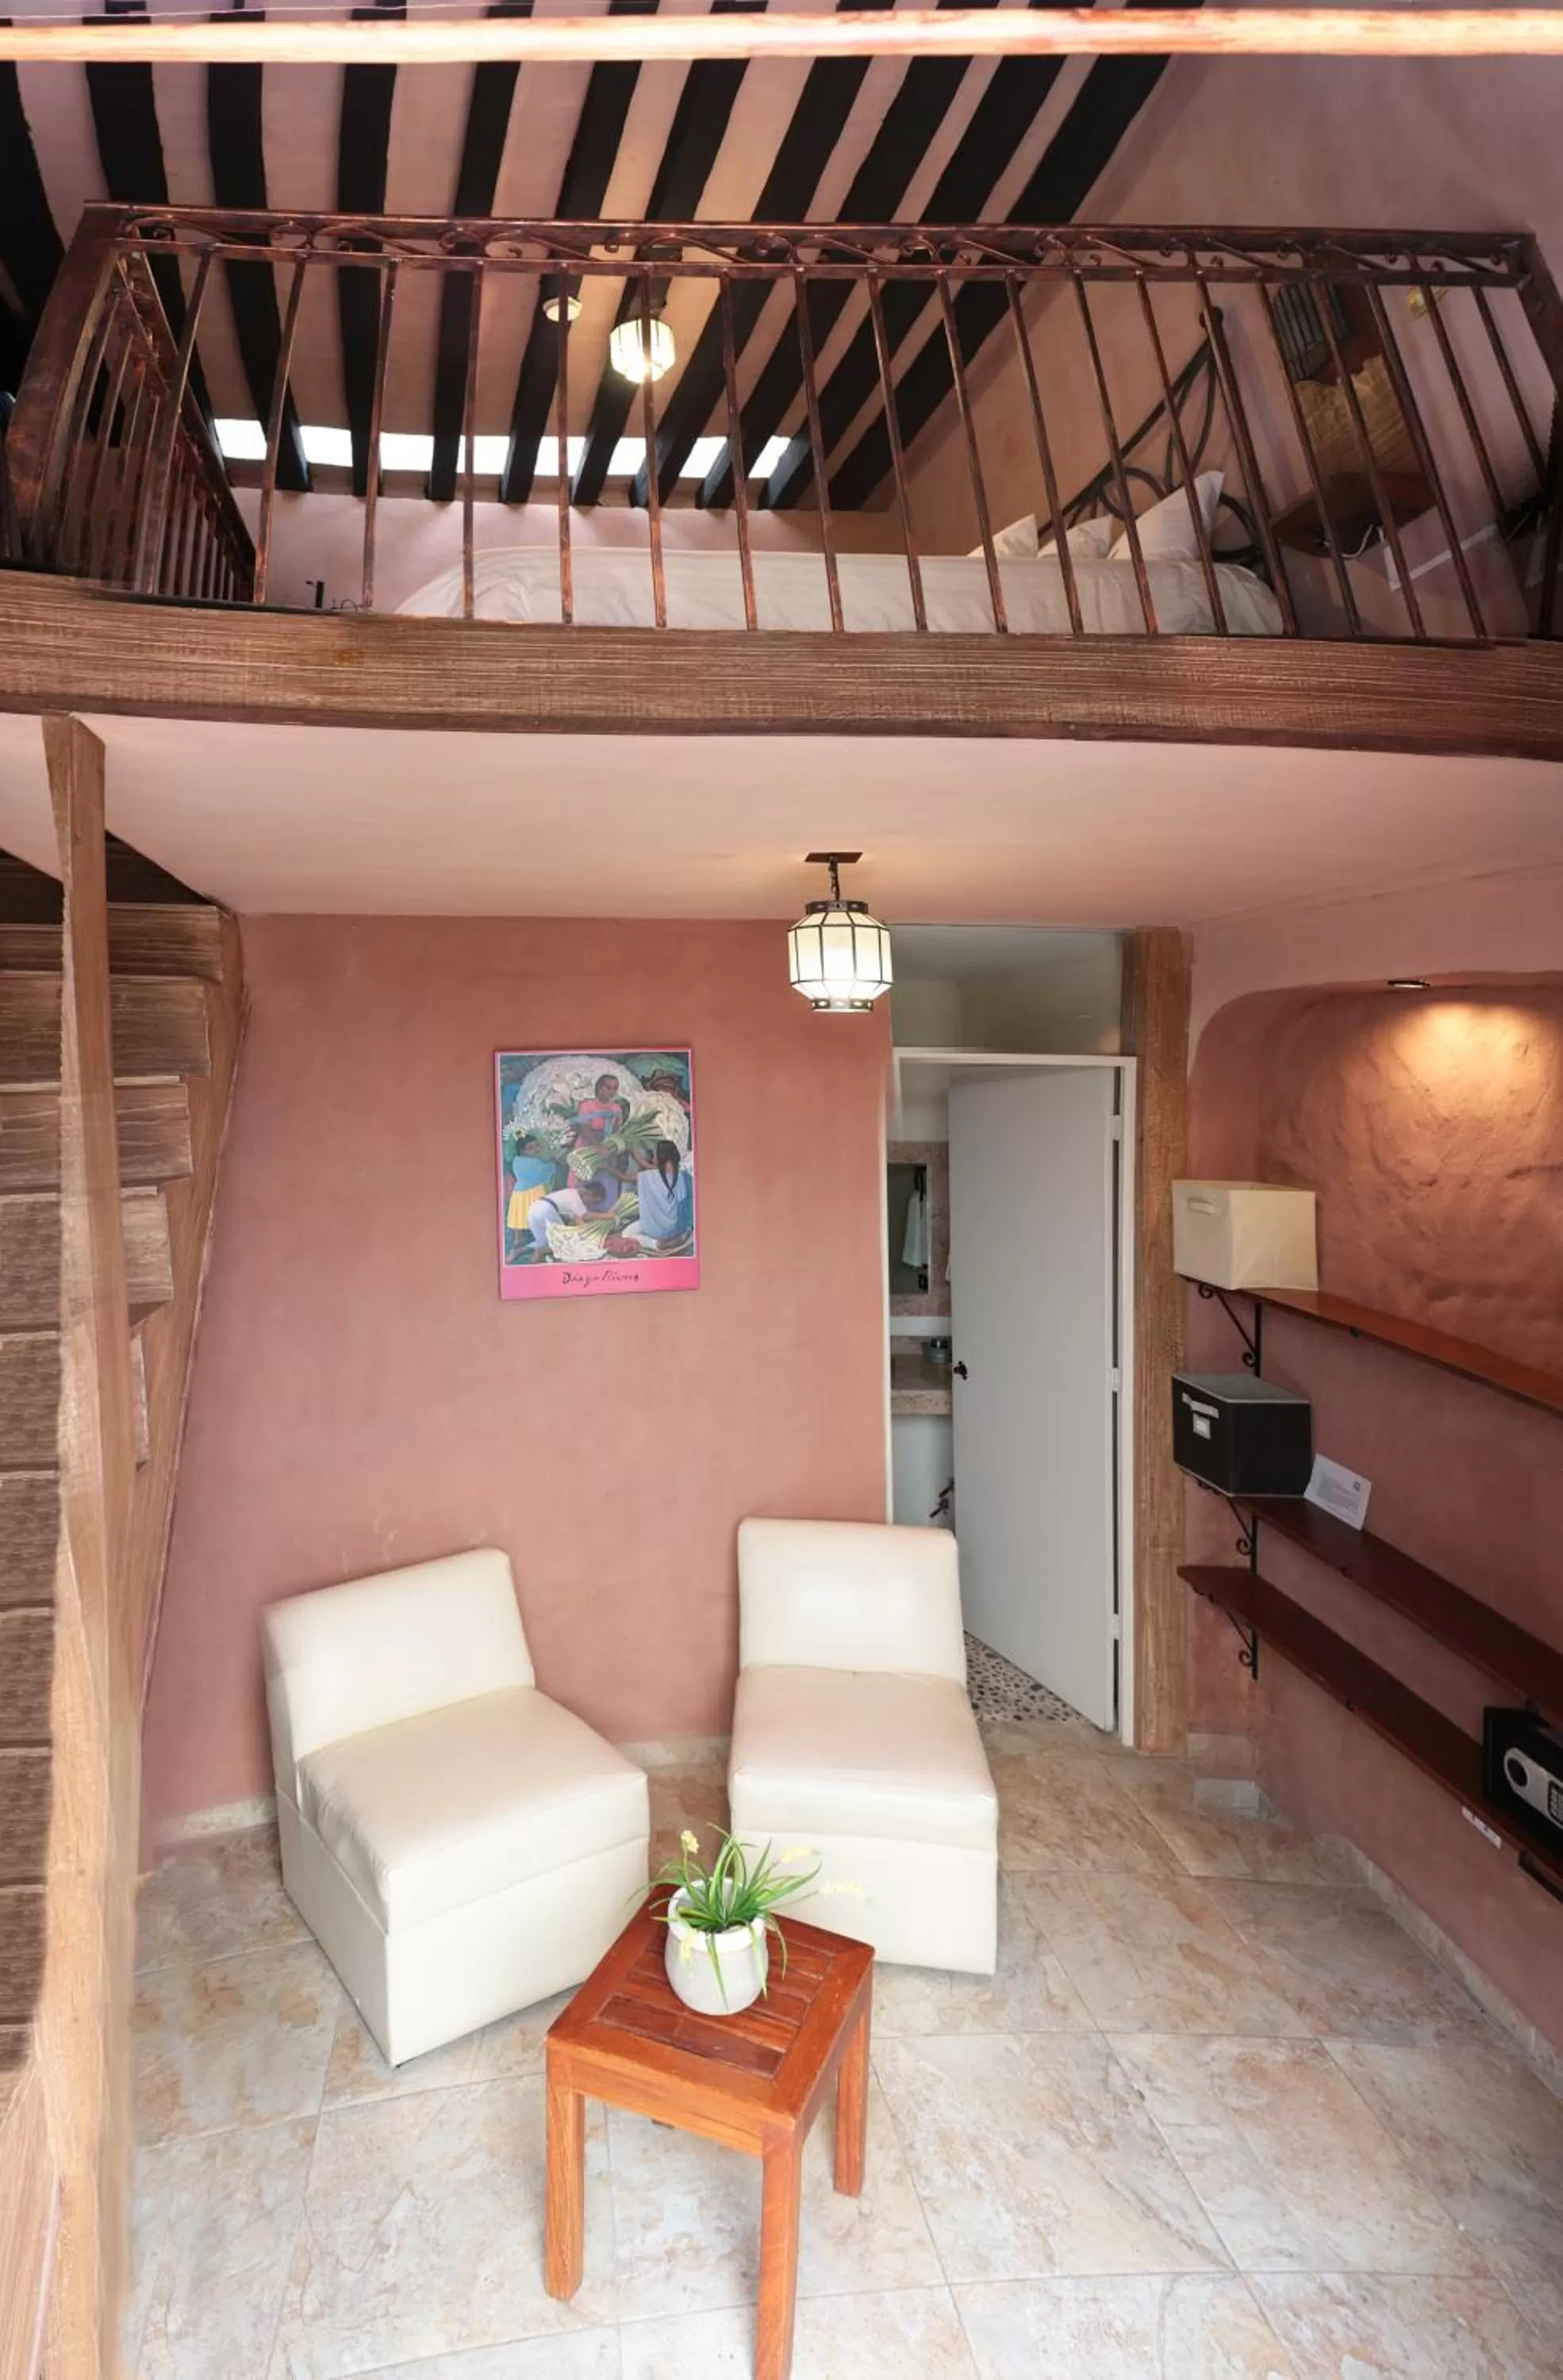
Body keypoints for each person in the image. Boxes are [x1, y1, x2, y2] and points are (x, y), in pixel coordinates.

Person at [631, 1138, 694, 1252]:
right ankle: (674, 1240)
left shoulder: (648, 1176)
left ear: (661, 1158)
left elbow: (625, 1177)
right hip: (678, 1229)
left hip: (655, 1230)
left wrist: (608, 1168)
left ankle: (657, 1245)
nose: (652, 1157)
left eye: (654, 1155)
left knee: (627, 1234)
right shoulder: (684, 1177)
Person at [505, 1134, 555, 1249]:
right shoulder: (534, 1162)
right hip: (534, 1192)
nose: (536, 1149)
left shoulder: (517, 1161)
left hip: (519, 1193)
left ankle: (519, 1239)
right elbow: (548, 1170)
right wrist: (552, 1164)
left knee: (521, 1214)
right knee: (536, 1214)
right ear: (523, 1150)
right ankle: (537, 1239)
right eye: (531, 1148)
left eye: (536, 1146)